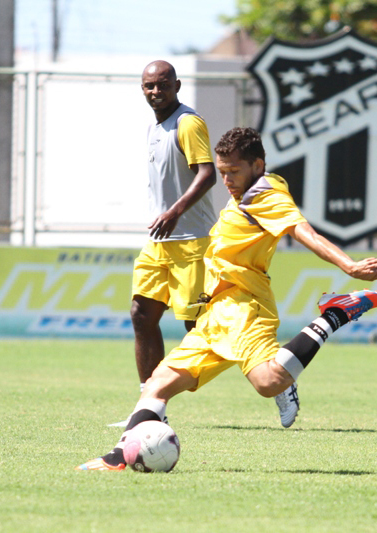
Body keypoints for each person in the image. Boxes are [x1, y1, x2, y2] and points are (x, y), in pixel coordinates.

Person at [78, 127, 377, 470]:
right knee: (157, 385)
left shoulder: (268, 196)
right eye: (222, 172)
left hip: (243, 306)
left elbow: (304, 232)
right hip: (214, 314)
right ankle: (119, 458)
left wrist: (349, 265)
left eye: (233, 171)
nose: (226, 179)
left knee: (268, 383)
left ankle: (335, 315)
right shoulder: (245, 192)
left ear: (258, 164)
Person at [116, 61, 297, 428]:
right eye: (148, 86)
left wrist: (174, 212)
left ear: (177, 85)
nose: (155, 91)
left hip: (192, 240)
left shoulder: (188, 122)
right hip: (159, 241)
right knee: (141, 314)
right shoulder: (154, 124)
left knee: (201, 328)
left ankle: (278, 381)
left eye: (162, 85)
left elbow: (208, 173)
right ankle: (149, 407)